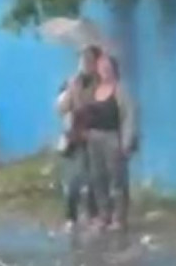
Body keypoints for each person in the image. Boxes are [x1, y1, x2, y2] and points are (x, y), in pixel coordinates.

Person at [83, 54, 138, 231]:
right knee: (98, 178)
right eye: (101, 66)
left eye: (107, 67)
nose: (104, 70)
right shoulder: (93, 89)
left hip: (113, 138)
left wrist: (126, 141)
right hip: (94, 138)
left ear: (114, 69)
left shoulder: (120, 90)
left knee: (117, 179)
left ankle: (119, 218)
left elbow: (129, 116)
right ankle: (103, 215)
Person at [56, 45, 103, 231]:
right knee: (72, 180)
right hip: (72, 138)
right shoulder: (70, 83)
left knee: (92, 179)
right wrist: (69, 92)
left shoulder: (100, 84)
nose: (85, 64)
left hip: (91, 136)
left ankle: (93, 215)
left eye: (90, 60)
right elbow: (60, 109)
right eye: (83, 60)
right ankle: (71, 217)